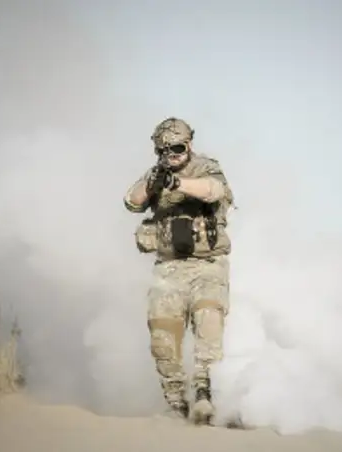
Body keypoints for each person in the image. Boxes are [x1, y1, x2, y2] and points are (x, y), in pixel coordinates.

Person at [123, 117, 234, 425]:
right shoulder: (156, 173)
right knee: (162, 335)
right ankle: (175, 402)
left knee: (208, 321)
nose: (170, 155)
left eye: (176, 148)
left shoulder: (205, 167)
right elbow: (131, 201)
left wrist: (177, 184)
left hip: (207, 264)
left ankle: (205, 393)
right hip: (169, 267)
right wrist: (153, 183)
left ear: (189, 145)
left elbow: (214, 190)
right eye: (163, 150)